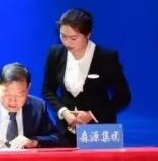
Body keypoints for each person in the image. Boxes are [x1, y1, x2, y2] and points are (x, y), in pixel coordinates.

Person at [41, 8, 131, 147]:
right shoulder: (55, 53)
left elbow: (123, 96)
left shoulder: (106, 58)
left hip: (99, 130)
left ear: (88, 34)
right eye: (63, 36)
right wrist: (64, 112)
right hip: (66, 129)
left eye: (73, 38)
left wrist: (92, 114)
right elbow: (48, 89)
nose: (67, 42)